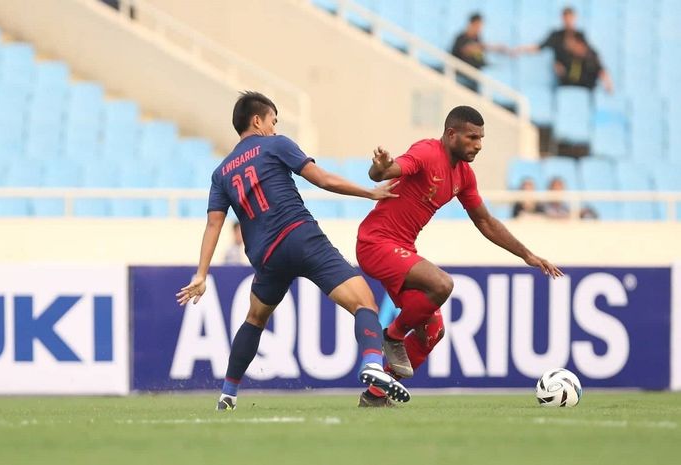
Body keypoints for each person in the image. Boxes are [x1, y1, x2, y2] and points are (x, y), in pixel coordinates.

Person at [176, 91, 411, 410]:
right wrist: (368, 192)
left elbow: (214, 225)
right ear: (257, 120)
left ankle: (227, 395)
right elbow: (323, 179)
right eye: (273, 120)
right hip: (300, 237)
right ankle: (371, 363)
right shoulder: (275, 144)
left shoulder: (221, 172)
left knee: (255, 319)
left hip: (265, 256)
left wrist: (201, 274)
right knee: (363, 302)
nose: (274, 127)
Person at [355, 106, 564, 406]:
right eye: (471, 137)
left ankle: (375, 396)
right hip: (376, 243)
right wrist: (379, 167)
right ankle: (393, 335)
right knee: (441, 284)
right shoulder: (427, 152)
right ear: (451, 134)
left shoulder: (464, 175)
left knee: (433, 331)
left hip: (400, 249)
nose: (478, 144)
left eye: (481, 138)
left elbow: (486, 221)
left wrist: (526, 254)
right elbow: (386, 171)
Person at [513, 7, 612, 92]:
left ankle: (606, 81)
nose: (568, 21)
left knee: (592, 56)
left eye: (571, 18)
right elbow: (539, 47)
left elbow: (589, 53)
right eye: (566, 18)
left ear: (574, 18)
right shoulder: (556, 36)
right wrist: (520, 49)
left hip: (582, 75)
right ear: (562, 18)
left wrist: (576, 48)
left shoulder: (580, 35)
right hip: (565, 75)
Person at [450, 13, 510, 92]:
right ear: (472, 24)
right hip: (460, 76)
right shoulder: (461, 37)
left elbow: (479, 57)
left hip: (474, 78)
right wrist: (489, 47)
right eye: (478, 25)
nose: (479, 28)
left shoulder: (478, 39)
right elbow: (466, 50)